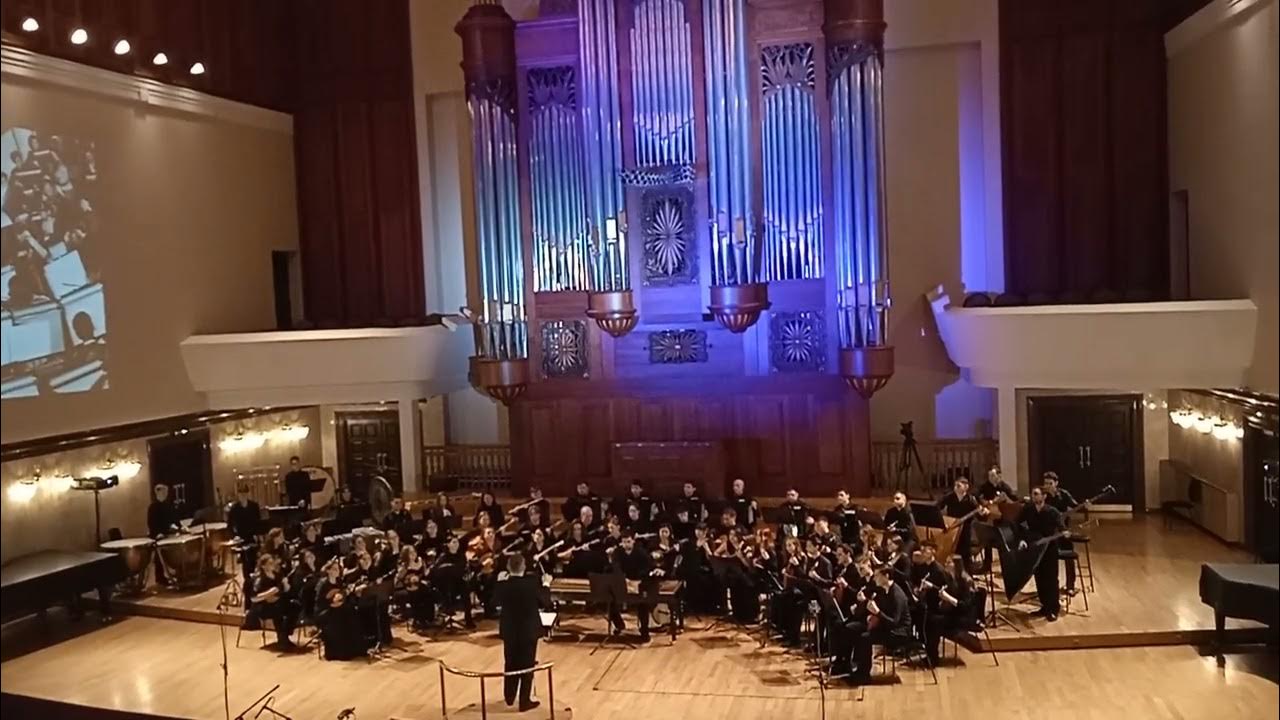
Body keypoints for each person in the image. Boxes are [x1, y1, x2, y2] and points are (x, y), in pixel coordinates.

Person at [496, 553, 543, 711]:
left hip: (510, 631)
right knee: (527, 666)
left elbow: (493, 602)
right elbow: (545, 602)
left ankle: (509, 696)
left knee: (510, 663)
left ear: (508, 567)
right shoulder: (531, 584)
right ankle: (524, 701)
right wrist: (546, 585)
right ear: (523, 566)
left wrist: (499, 582)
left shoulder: (504, 585)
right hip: (528, 631)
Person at [849, 567, 911, 683]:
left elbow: (894, 622)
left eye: (877, 575)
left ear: (886, 576)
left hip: (899, 632)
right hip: (887, 627)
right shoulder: (883, 590)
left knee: (865, 638)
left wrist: (877, 612)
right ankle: (853, 667)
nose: (874, 578)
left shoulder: (897, 595)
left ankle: (863, 675)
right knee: (854, 629)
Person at [1015, 487, 1064, 621]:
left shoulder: (1052, 512)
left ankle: (1053, 609)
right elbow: (1018, 525)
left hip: (1049, 549)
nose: (1033, 496)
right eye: (1032, 494)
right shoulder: (1028, 510)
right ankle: (1044, 607)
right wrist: (1022, 539)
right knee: (1039, 577)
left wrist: (1064, 533)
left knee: (1051, 579)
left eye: (1036, 494)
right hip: (1035, 547)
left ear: (1044, 496)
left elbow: (1061, 527)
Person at [1042, 471, 1084, 593]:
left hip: (1064, 530)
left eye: (1050, 483)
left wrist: (1084, 505)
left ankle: (1070, 586)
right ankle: (1049, 586)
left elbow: (1076, 505)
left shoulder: (1064, 494)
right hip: (1049, 532)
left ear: (1056, 483)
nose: (1047, 486)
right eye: (1045, 483)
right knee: (1047, 559)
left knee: (1068, 556)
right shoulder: (1043, 496)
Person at [609, 530, 654, 642]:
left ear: (633, 541)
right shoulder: (617, 552)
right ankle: (619, 625)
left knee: (643, 604)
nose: (626, 545)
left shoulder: (641, 552)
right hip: (623, 582)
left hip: (638, 582)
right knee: (610, 601)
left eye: (628, 542)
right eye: (624, 542)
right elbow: (615, 567)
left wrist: (638, 580)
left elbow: (648, 567)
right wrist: (622, 579)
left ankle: (644, 631)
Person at [249, 554, 299, 650]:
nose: (273, 565)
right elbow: (254, 598)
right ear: (263, 566)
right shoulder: (259, 579)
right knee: (278, 611)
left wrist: (286, 584)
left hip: (278, 603)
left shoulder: (277, 575)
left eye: (273, 563)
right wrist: (269, 593)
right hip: (263, 606)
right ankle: (282, 638)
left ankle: (285, 633)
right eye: (270, 563)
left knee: (295, 606)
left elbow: (286, 590)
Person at [936, 478, 988, 565]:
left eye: (959, 485)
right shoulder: (949, 497)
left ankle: (967, 569)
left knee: (965, 552)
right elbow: (937, 507)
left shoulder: (971, 500)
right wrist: (943, 522)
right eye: (955, 485)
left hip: (965, 530)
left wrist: (983, 513)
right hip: (951, 528)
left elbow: (980, 517)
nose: (956, 487)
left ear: (966, 487)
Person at [226, 485, 262, 604]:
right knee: (246, 567)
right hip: (242, 540)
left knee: (255, 564)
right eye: (241, 494)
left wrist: (258, 535)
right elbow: (229, 525)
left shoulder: (254, 506)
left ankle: (256, 589)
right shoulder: (235, 508)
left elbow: (259, 523)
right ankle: (248, 595)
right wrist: (234, 536)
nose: (243, 496)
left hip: (253, 538)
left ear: (248, 494)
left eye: (245, 494)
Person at [147, 484, 180, 586]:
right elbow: (151, 523)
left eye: (166, 492)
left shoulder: (168, 506)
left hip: (168, 534)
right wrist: (157, 534)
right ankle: (160, 577)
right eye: (163, 492)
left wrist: (178, 526)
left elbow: (174, 519)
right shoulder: (153, 507)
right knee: (159, 558)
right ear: (157, 493)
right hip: (158, 536)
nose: (165, 494)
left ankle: (180, 572)